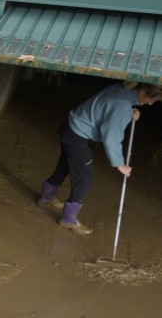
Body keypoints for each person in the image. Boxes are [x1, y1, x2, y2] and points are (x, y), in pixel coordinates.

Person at [39, 81, 162, 234]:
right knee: (84, 178)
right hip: (78, 136)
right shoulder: (122, 105)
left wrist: (129, 115)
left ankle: (46, 198)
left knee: (65, 165)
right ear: (144, 93)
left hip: (70, 127)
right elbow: (111, 137)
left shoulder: (123, 89)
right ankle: (68, 220)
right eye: (153, 100)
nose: (151, 104)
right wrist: (119, 164)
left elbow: (107, 109)